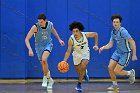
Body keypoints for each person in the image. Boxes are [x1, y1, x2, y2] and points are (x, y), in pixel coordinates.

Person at [25, 13, 65, 89]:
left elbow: (54, 31)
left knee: (44, 59)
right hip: (39, 47)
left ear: (45, 20)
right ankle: (50, 80)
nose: (40, 23)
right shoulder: (35, 27)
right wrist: (30, 49)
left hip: (48, 44)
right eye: (38, 22)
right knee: (43, 63)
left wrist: (59, 39)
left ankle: (45, 76)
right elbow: (26, 39)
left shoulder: (50, 24)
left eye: (41, 22)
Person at [99, 14, 138, 90]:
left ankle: (130, 73)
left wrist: (134, 54)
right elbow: (110, 45)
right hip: (118, 52)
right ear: (112, 23)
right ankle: (114, 85)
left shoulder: (123, 31)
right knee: (110, 68)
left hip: (125, 53)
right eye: (114, 22)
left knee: (116, 71)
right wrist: (103, 47)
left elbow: (132, 41)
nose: (115, 23)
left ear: (120, 23)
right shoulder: (113, 32)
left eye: (117, 22)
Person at [63, 21, 99, 92]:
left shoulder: (85, 35)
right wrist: (64, 60)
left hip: (85, 53)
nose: (75, 33)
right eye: (73, 32)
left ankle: (79, 85)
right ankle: (85, 74)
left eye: (76, 31)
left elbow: (95, 34)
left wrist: (96, 44)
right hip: (76, 55)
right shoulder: (71, 39)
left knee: (83, 65)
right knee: (79, 72)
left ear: (80, 31)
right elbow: (68, 51)